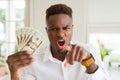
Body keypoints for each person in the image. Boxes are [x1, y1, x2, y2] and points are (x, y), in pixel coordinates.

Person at [7, 4, 110, 80]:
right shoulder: (32, 59)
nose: (60, 34)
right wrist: (14, 73)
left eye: (66, 28)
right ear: (47, 30)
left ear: (72, 29)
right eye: (54, 29)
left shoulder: (90, 51)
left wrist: (89, 62)